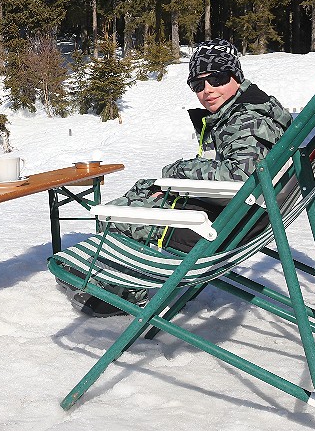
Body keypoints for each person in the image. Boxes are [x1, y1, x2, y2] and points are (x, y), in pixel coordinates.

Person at [69, 39, 293, 317]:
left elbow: (240, 176)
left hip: (225, 229)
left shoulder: (246, 118)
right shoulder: (251, 109)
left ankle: (119, 294)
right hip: (242, 217)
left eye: (217, 78)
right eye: (198, 85)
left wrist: (179, 171)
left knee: (119, 214)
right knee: (146, 188)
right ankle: (108, 272)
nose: (207, 90)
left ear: (236, 76)